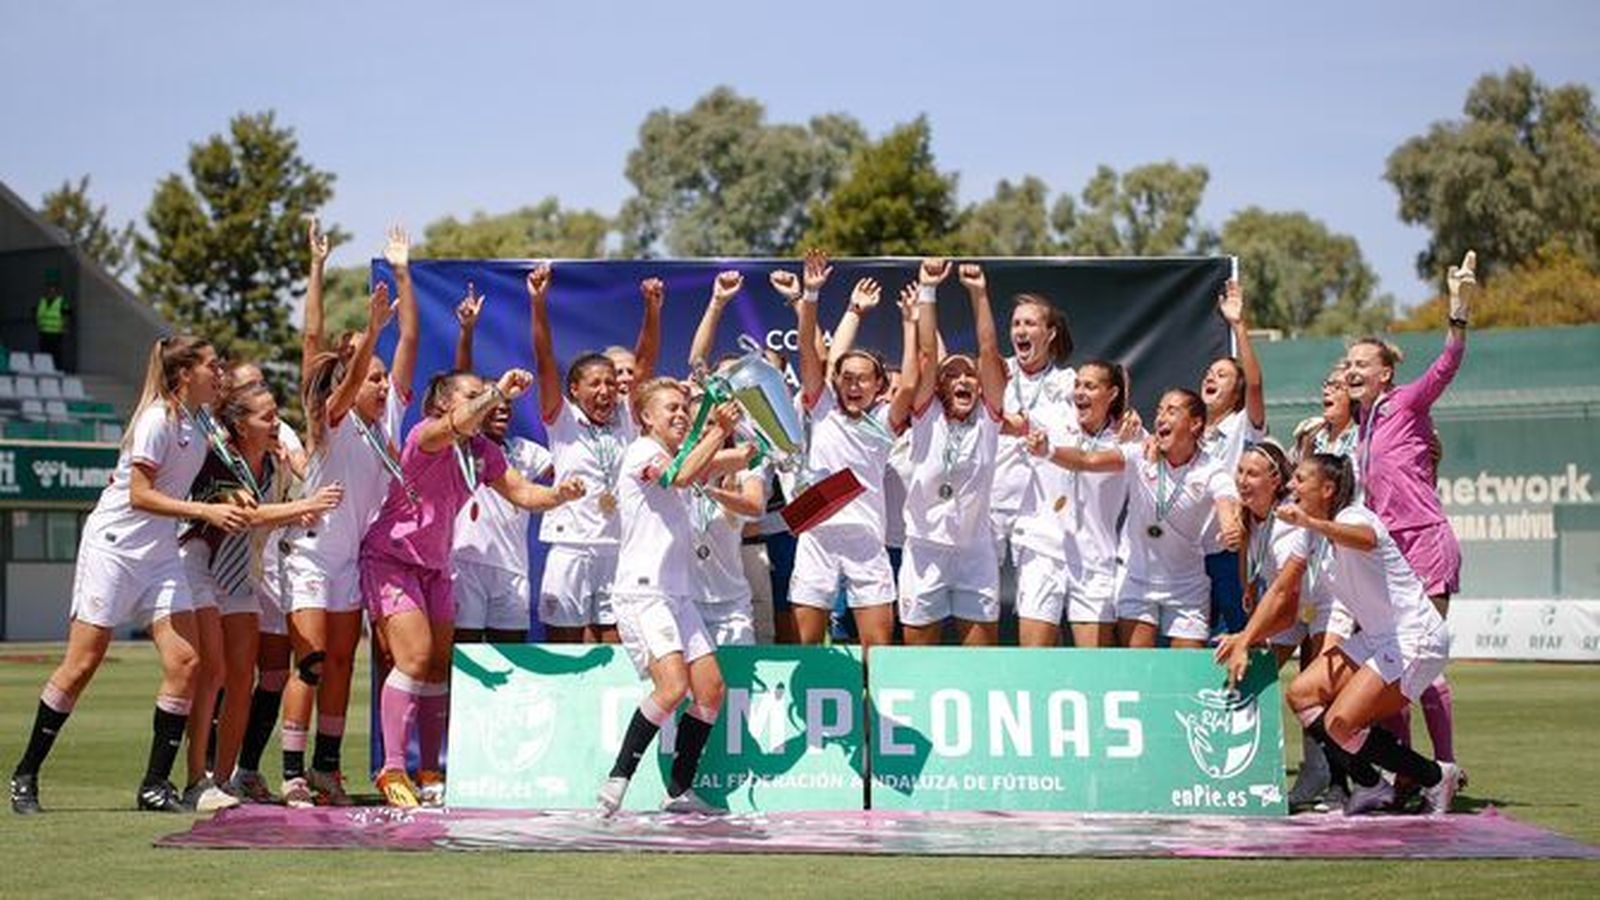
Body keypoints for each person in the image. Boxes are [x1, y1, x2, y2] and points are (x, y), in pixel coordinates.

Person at [10, 336, 245, 814]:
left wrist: (225, 497)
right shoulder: (157, 418)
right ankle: (25, 774)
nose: (219, 371)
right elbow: (139, 494)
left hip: (160, 553)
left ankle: (155, 786)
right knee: (81, 665)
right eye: (210, 365)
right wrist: (204, 509)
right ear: (184, 374)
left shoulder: (198, 422)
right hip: (114, 550)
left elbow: (184, 482)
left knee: (185, 663)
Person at [365, 369, 584, 807]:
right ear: (445, 404)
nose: (485, 400)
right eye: (473, 395)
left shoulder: (481, 451)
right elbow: (454, 426)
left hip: (436, 567)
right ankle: (391, 770)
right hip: (392, 559)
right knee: (414, 658)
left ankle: (430, 769)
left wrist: (561, 495)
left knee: (438, 666)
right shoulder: (427, 435)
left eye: (485, 394)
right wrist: (499, 392)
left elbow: (522, 493)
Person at [264, 225, 419, 807]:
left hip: (350, 563)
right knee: (309, 664)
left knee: (340, 667)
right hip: (309, 556)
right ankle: (294, 773)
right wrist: (316, 265)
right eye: (370, 377)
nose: (379, 384)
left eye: (382, 378)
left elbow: (408, 339)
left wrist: (402, 277)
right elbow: (315, 342)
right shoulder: (330, 420)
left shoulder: (385, 428)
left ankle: (328, 769)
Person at [1216, 453, 1463, 816]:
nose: (1291, 486)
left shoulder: (1354, 516)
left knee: (1341, 723)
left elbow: (1363, 539)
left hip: (1415, 638)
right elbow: (1283, 591)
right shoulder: (1308, 533)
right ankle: (1370, 783)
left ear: (1328, 489)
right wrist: (1245, 638)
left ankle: (1435, 776)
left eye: (1300, 479)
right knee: (1301, 693)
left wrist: (1313, 523)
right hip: (1378, 639)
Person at [177, 381, 343, 809]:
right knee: (211, 673)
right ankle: (196, 779)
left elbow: (297, 501)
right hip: (201, 566)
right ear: (239, 425)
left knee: (240, 680)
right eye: (266, 417)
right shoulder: (222, 460)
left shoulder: (274, 464)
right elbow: (247, 516)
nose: (276, 423)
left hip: (240, 577)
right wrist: (303, 506)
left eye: (276, 414)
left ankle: (225, 779)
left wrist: (303, 489)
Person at [1345, 250, 1476, 796]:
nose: (1352, 370)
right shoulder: (1363, 424)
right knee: (1391, 663)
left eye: (1361, 364)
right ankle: (1406, 775)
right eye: (1347, 364)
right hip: (1388, 553)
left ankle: (1443, 770)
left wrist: (1458, 313)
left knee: (1418, 663)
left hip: (1425, 543)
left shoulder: (1407, 401)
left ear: (1386, 372)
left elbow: (1446, 366)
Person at [598, 378, 745, 815]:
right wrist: (717, 429)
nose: (681, 414)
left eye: (685, 408)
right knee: (673, 688)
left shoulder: (672, 452)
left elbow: (699, 466)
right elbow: (680, 476)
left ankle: (679, 793)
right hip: (643, 594)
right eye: (671, 409)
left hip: (677, 595)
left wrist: (750, 448)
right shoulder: (642, 452)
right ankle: (617, 778)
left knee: (712, 691)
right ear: (645, 417)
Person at [774, 250, 919, 651]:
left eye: (864, 380)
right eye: (848, 378)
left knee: (879, 648)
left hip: (866, 541)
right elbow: (807, 348)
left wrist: (910, 323)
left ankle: (874, 713)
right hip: (817, 536)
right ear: (836, 380)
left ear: (877, 386)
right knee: (807, 647)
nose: (855, 386)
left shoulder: (885, 421)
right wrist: (812, 295)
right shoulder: (821, 407)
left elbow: (909, 384)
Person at [1029, 389, 1242, 648]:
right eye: (1160, 410)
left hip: (1186, 584)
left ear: (1195, 423)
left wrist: (1231, 526)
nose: (1161, 417)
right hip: (1136, 579)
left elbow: (1227, 500)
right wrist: (1048, 451)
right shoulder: (1139, 454)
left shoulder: (1211, 469)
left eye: (1172, 411)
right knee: (1139, 667)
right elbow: (1088, 459)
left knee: (1185, 670)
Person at [530, 264, 663, 643]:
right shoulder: (562, 418)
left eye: (611, 382)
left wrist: (653, 309)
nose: (607, 390)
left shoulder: (628, 416)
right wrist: (538, 302)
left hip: (618, 546)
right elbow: (543, 359)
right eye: (595, 383)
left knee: (616, 648)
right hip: (570, 546)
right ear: (574, 389)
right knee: (565, 647)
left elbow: (645, 362)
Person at [1234, 440, 1352, 807]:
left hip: (1325, 604)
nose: (1242, 480)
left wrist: (1246, 636)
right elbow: (1257, 578)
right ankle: (1301, 773)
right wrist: (1250, 594)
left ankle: (1339, 782)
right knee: (1252, 671)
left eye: (1252, 473)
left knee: (1320, 691)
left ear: (1275, 480)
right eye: (1239, 471)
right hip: (1298, 609)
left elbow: (1285, 598)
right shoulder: (1248, 517)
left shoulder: (1287, 522)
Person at [898, 260, 1007, 646]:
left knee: (980, 661)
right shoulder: (926, 414)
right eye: (952, 374)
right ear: (939, 386)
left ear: (980, 386)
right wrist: (928, 288)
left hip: (975, 552)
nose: (962, 379)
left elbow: (990, 350)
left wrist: (978, 293)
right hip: (924, 549)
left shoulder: (989, 418)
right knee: (919, 660)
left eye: (969, 375)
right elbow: (928, 353)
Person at [450, 283, 556, 644]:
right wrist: (466, 333)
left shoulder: (526, 452)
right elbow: (459, 388)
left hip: (512, 568)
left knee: (509, 659)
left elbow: (565, 473)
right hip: (466, 563)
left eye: (507, 407)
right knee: (463, 659)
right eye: (492, 405)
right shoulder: (464, 444)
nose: (501, 411)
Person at [989, 287, 1078, 645]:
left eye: (1030, 323)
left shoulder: (1070, 383)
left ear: (1050, 333)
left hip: (1042, 511)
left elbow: (1107, 414)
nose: (1021, 331)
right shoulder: (994, 373)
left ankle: (1040, 684)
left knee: (1040, 610)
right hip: (992, 504)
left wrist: (1129, 419)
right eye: (1015, 324)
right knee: (977, 606)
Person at [685, 271, 769, 646]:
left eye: (739, 379)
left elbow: (754, 505)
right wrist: (718, 302)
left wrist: (712, 491)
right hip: (685, 593)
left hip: (734, 579)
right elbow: (697, 360)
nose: (728, 386)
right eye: (722, 381)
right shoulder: (682, 444)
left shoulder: (755, 437)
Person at [1198, 280, 1267, 636]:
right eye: (1209, 374)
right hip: (1192, 553)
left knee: (1238, 636)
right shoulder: (1189, 432)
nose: (1211, 377)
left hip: (1231, 553)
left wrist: (1238, 325)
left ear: (1236, 392)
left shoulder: (1244, 426)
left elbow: (1256, 385)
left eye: (1222, 375)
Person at [1056, 360, 1138, 648]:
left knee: (1093, 665)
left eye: (1090, 386)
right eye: (1077, 384)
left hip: (1094, 563)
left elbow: (1088, 461)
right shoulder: (1056, 421)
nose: (1079, 391)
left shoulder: (1128, 440)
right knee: (1036, 659)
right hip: (1048, 555)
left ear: (1112, 394)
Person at [35, 270, 69, 369]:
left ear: (57, 289)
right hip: (43, 333)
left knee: (56, 356)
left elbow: (66, 316)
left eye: (53, 287)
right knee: (43, 356)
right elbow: (38, 316)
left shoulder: (62, 301)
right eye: (49, 287)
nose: (51, 290)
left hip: (56, 334)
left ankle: (57, 371)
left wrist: (64, 327)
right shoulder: (42, 301)